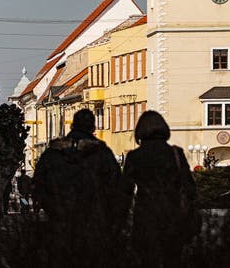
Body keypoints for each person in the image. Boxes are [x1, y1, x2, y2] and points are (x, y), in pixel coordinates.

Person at [33, 108, 120, 264]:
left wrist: (50, 206)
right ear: (93, 128)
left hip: (59, 221)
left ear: (72, 126)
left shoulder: (53, 152)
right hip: (93, 223)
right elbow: (116, 187)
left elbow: (38, 184)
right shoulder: (101, 153)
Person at [120, 110, 198, 268]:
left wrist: (120, 220)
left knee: (147, 260)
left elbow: (125, 191)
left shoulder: (135, 157)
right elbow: (190, 188)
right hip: (173, 215)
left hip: (145, 215)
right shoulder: (175, 154)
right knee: (172, 259)